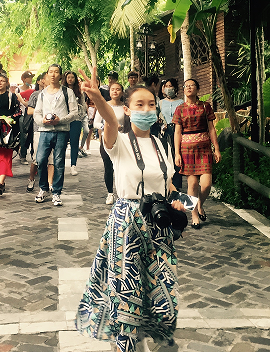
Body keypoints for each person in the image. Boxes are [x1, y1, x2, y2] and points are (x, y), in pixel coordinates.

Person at [76, 68, 185, 352]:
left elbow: (168, 183)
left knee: (164, 293)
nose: (146, 109)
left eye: (151, 104)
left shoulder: (160, 144)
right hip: (128, 223)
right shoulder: (120, 142)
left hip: (158, 226)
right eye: (139, 104)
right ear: (127, 109)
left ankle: (156, 339)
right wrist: (98, 98)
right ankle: (125, 345)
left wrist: (183, 204)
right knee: (128, 293)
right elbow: (110, 121)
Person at [172, 78, 221, 229]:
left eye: (191, 85)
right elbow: (177, 132)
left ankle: (200, 204)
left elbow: (211, 129)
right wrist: (177, 153)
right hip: (187, 150)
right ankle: (194, 215)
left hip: (204, 149)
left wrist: (216, 148)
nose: (188, 88)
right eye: (186, 86)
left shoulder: (205, 107)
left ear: (197, 89)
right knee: (192, 184)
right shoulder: (180, 109)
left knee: (206, 184)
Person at [33, 64, 77, 206]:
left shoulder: (67, 92)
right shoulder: (42, 93)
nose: (53, 74)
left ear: (60, 75)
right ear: (47, 75)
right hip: (45, 131)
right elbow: (36, 113)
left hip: (61, 131)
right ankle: (43, 188)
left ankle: (56, 192)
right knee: (40, 160)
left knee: (58, 162)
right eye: (50, 72)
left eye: (56, 72)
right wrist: (42, 121)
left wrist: (60, 120)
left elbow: (74, 112)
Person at [94, 82, 127, 205]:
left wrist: (121, 127)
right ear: (109, 92)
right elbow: (96, 123)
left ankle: (122, 193)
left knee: (122, 167)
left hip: (122, 140)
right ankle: (110, 193)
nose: (115, 91)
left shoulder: (125, 107)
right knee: (108, 167)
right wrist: (107, 127)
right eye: (112, 89)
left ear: (122, 92)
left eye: (118, 89)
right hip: (107, 140)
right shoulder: (105, 106)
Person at [25, 73, 53, 192]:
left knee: (51, 159)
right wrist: (44, 112)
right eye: (48, 77)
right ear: (42, 81)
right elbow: (29, 111)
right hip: (39, 130)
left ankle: (50, 184)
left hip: (53, 129)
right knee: (37, 159)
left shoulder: (58, 94)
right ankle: (31, 179)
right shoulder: (36, 94)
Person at [159, 78, 183, 191]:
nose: (168, 88)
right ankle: (167, 183)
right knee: (166, 156)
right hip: (165, 131)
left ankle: (177, 185)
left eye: (170, 86)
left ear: (175, 88)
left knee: (177, 156)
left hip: (178, 130)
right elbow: (156, 117)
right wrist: (161, 125)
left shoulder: (181, 102)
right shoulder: (160, 103)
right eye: (166, 86)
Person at [64, 71, 86, 176]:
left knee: (74, 143)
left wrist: (80, 115)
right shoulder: (62, 91)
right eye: (68, 77)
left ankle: (73, 165)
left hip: (76, 120)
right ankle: (60, 165)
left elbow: (83, 105)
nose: (70, 79)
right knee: (62, 143)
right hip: (64, 120)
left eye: (72, 77)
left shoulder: (79, 91)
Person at [18, 71, 36, 164]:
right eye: (29, 78)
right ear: (24, 79)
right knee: (23, 135)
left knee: (32, 135)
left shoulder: (33, 90)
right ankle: (23, 155)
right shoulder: (18, 90)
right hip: (21, 115)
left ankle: (33, 155)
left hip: (31, 116)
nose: (31, 79)